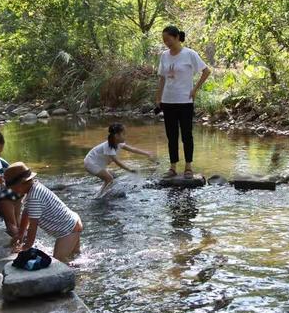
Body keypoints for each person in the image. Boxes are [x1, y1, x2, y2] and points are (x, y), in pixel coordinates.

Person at [155, 26, 211, 179]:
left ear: (177, 37)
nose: (166, 42)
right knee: (171, 135)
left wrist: (195, 89)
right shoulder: (164, 56)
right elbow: (162, 78)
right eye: (164, 40)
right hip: (168, 100)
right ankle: (172, 167)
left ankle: (188, 167)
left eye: (168, 39)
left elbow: (206, 71)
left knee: (187, 135)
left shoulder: (190, 54)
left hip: (185, 100)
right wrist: (158, 97)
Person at [4, 162, 83, 263]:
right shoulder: (35, 187)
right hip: (72, 223)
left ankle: (77, 275)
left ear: (20, 185)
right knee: (74, 258)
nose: (13, 192)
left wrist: (27, 246)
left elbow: (33, 226)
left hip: (68, 231)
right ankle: (82, 275)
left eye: (13, 189)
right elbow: (26, 212)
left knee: (59, 261)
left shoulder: (34, 198)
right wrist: (20, 234)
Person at [84, 123, 155, 195]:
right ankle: (99, 196)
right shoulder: (109, 147)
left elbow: (132, 149)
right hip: (91, 163)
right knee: (109, 179)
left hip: (97, 163)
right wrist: (129, 170)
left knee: (113, 176)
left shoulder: (118, 143)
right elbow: (117, 162)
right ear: (117, 136)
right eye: (123, 134)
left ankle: (104, 191)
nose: (125, 136)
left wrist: (146, 153)